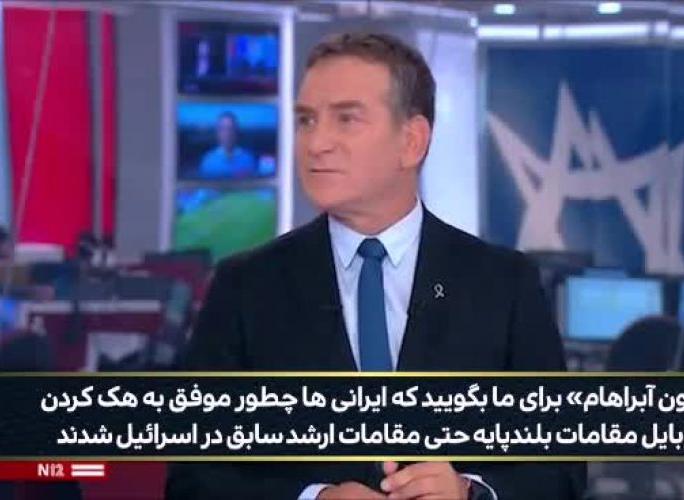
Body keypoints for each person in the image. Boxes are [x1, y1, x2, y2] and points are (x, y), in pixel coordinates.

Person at [166, 32, 585, 499]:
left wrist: (471, 491)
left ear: (412, 141)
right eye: (306, 120)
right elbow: (192, 477)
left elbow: (561, 469)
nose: (316, 142)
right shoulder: (245, 287)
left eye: (346, 119)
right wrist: (314, 499)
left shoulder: (503, 285)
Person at [198, 111, 256, 178]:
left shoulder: (248, 160)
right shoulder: (207, 161)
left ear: (236, 132)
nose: (227, 134)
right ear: (217, 133)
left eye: (230, 129)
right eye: (223, 129)